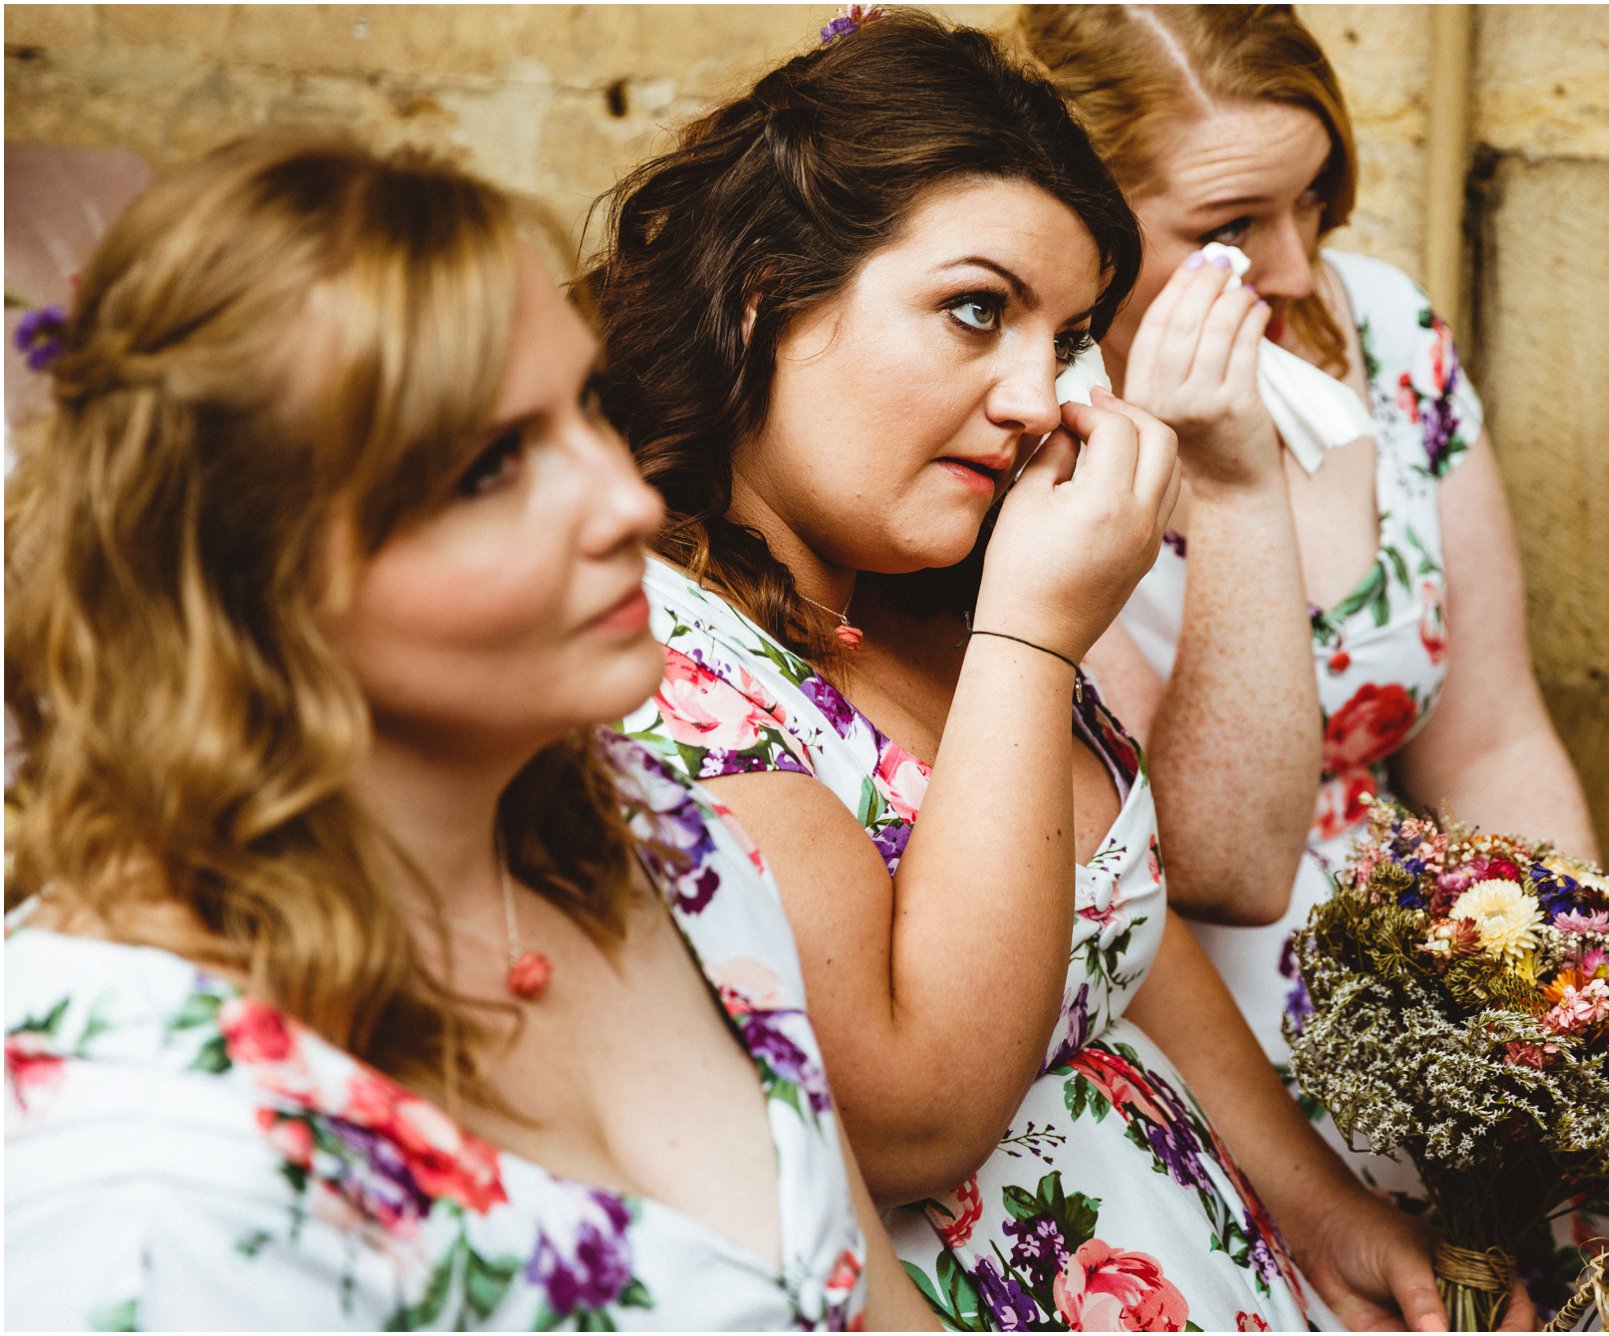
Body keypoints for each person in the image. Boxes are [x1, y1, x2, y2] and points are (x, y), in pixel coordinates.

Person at [586, 11, 1496, 1331]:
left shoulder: (917, 592)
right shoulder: (660, 664)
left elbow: (1127, 925)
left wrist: (1315, 1203)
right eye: (975, 310)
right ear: (763, 292)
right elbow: (911, 1118)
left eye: (1065, 337)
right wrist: (1031, 635)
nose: (1032, 396)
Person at [3, 135, 935, 1331]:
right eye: (489, 467)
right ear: (252, 574)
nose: (625, 502)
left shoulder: (660, 835)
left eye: (587, 408)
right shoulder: (130, 1167)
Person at [1013, 5, 1609, 1329]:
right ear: (1082, 222)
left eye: (1316, 204)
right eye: (1232, 226)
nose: (1291, 267)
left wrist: (1576, 989)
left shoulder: (1384, 331)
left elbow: (1493, 735)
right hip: (1206, 987)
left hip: (1443, 921)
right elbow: (1219, 867)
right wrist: (1229, 477)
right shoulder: (1037, 436)